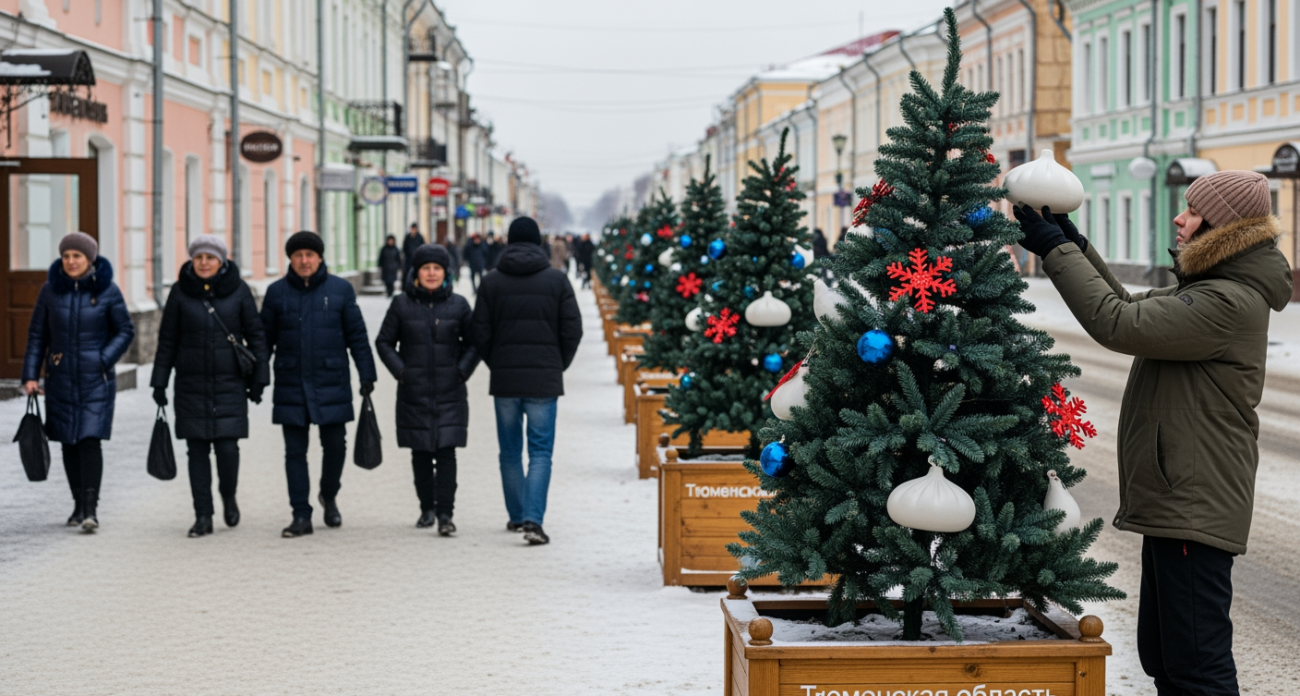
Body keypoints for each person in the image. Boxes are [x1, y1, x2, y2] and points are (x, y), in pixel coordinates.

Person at [1013, 170, 1293, 696]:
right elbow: (1130, 306)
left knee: (1195, 664)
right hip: (1180, 499)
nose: (1179, 219)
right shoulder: (1213, 289)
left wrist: (1056, 251)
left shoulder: (1227, 301)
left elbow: (1116, 322)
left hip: (1194, 503)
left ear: (1223, 226)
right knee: (1166, 655)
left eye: (1191, 210)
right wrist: (1075, 246)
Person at [472, 217, 583, 545]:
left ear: (509, 242)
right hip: (543, 381)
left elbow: (479, 332)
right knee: (540, 452)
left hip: (505, 381)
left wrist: (498, 363)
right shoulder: (557, 280)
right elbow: (572, 330)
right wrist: (557, 364)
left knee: (509, 452)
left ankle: (517, 515)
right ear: (538, 243)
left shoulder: (491, 281)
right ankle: (533, 521)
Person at [151, 234, 270, 538]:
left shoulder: (239, 291)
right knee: (197, 451)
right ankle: (203, 514)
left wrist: (259, 379)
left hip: (230, 383)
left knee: (228, 449)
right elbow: (167, 341)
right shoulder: (179, 293)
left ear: (222, 261)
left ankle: (228, 495)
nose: (204, 263)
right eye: (199, 257)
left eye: (210, 257)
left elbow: (256, 336)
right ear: (192, 260)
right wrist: (160, 381)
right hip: (191, 385)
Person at [261, 231, 378, 538]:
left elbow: (357, 336)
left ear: (320, 257)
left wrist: (367, 374)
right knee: (295, 452)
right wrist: (258, 377)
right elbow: (264, 341)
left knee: (335, 447)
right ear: (290, 259)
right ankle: (301, 514)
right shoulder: (276, 293)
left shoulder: (340, 290)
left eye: (309, 255)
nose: (304, 261)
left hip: (332, 380)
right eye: (298, 255)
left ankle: (329, 494)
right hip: (291, 382)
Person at [22, 232, 135, 532]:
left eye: (77, 256)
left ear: (90, 259)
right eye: (66, 256)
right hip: (60, 377)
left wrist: (102, 359)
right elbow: (37, 336)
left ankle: (91, 510)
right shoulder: (50, 291)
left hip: (95, 379)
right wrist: (30, 375)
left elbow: (125, 330)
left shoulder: (107, 291)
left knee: (89, 440)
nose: (71, 262)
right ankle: (77, 505)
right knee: (68, 443)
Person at [375, 244, 479, 535]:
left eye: (437, 268)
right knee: (420, 454)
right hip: (414, 392)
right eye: (426, 268)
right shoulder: (401, 304)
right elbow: (383, 342)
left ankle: (446, 514)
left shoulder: (459, 305)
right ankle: (426, 509)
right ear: (415, 273)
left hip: (450, 391)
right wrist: (402, 371)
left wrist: (462, 371)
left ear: (445, 273)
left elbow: (475, 343)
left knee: (446, 453)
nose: (431, 274)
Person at [402, 223, 425, 288]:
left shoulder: (419, 237)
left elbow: (422, 247)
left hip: (418, 260)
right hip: (408, 260)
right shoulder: (408, 237)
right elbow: (405, 248)